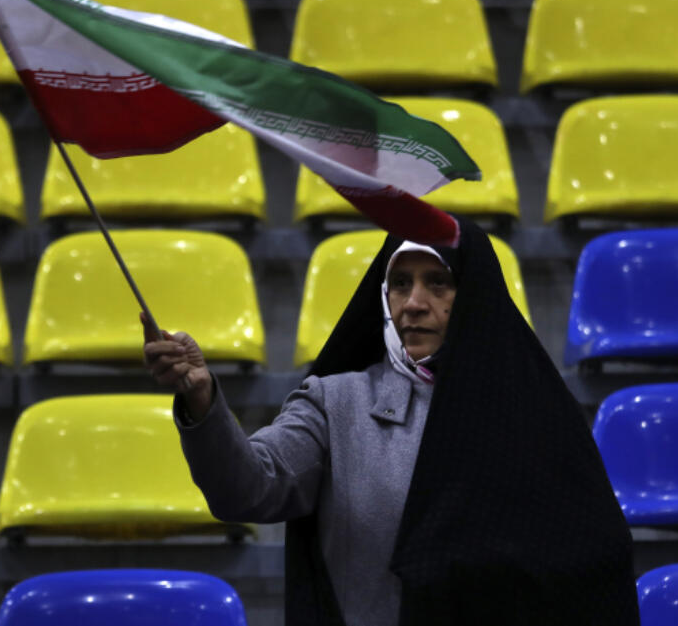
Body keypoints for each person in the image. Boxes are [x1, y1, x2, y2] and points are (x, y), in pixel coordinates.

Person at [143, 217, 639, 626]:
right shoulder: (335, 403)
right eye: (399, 283)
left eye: (437, 282)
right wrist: (202, 398)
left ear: (473, 296)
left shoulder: (533, 411)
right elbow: (247, 489)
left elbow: (593, 561)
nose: (413, 303)